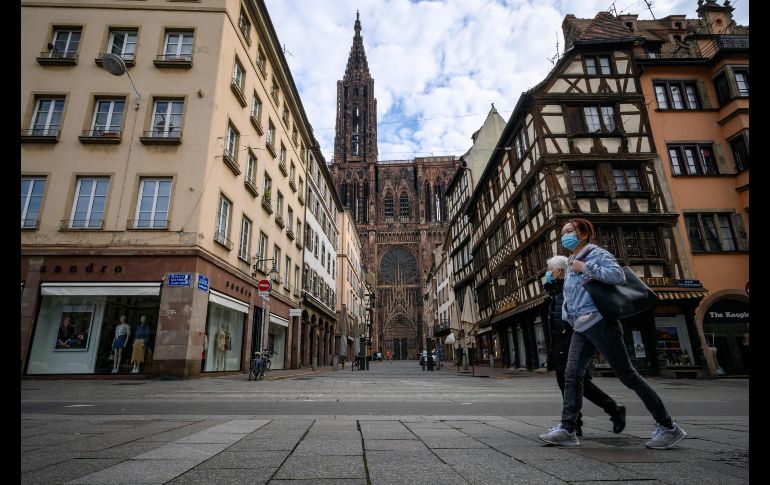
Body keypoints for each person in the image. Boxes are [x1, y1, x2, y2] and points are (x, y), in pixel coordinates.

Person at [539, 218, 686, 449]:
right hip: (580, 326)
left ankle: (668, 427)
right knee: (571, 375)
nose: (564, 236)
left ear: (583, 234)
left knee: (627, 375)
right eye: (563, 232)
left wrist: (586, 268)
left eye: (569, 231)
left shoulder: (595, 254)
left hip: (600, 323)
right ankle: (567, 429)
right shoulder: (571, 260)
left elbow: (617, 275)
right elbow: (572, 296)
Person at [544, 255, 626, 437]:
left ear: (560, 271)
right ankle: (574, 423)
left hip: (571, 345)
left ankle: (609, 410)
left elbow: (573, 319)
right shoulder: (557, 291)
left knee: (577, 384)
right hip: (561, 346)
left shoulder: (568, 290)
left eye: (549, 270)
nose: (547, 273)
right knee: (569, 384)